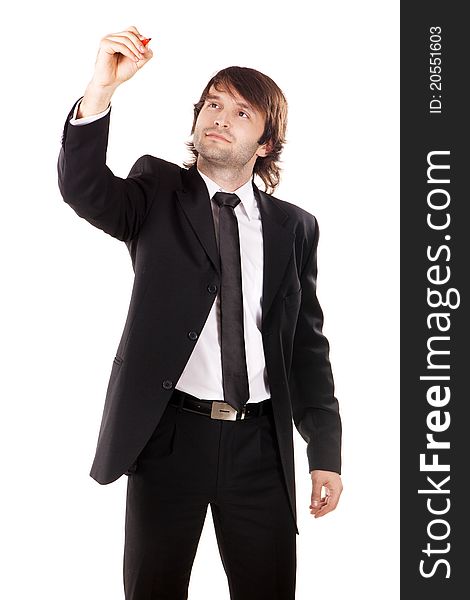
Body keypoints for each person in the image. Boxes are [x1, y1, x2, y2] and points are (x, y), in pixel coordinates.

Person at [57, 24, 343, 600]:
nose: (219, 116)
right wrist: (101, 90)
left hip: (260, 444)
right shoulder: (157, 191)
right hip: (168, 438)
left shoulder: (295, 228)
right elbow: (84, 187)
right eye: (213, 103)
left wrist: (326, 451)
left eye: (240, 112)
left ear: (265, 143)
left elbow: (306, 346)